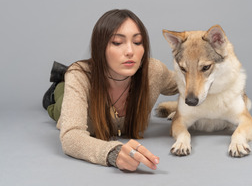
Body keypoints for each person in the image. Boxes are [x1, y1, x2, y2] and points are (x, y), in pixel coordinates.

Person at [42, 9, 178, 171]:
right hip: (72, 92)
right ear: (101, 47)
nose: (130, 51)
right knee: (58, 106)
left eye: (137, 42)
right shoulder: (79, 76)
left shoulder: (154, 71)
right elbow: (71, 137)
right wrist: (113, 153)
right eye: (117, 42)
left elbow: (188, 84)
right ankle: (60, 82)